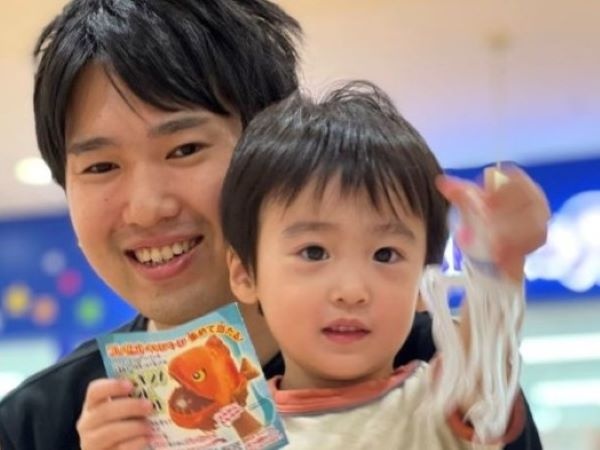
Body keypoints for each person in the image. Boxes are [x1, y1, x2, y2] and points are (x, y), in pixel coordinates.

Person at [0, 1, 548, 450]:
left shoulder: (434, 375)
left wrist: (497, 266)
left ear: (270, 151)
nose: (146, 208)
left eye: (185, 148)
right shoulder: (38, 425)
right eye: (100, 166)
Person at [220, 81, 543, 449]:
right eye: (314, 252)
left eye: (385, 255)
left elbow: (485, 376)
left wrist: (496, 268)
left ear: (424, 280)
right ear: (245, 273)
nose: (352, 291)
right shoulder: (232, 433)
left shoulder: (439, 403)